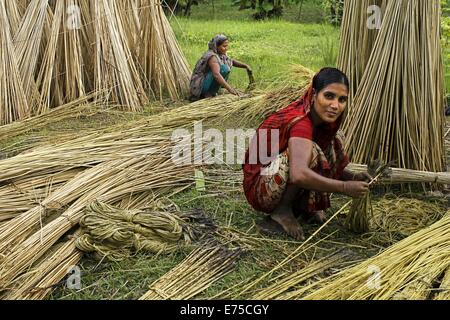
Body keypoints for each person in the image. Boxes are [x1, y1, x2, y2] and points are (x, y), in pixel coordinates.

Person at [243, 67, 371, 241]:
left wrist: (351, 177)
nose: (335, 105)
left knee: (333, 141)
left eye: (342, 100)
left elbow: (325, 160)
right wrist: (344, 187)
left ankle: (302, 206)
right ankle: (282, 211)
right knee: (310, 150)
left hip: (279, 176)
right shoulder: (300, 121)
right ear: (314, 94)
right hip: (261, 187)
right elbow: (298, 174)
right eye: (329, 96)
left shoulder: (323, 121)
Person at [189, 34, 253, 101]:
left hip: (206, 83)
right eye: (224, 46)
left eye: (227, 46)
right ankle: (207, 93)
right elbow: (216, 75)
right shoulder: (212, 56)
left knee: (225, 67)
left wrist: (245, 66)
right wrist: (230, 89)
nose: (226, 48)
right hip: (200, 87)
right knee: (224, 69)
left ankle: (212, 91)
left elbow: (231, 61)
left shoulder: (220, 54)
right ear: (216, 46)